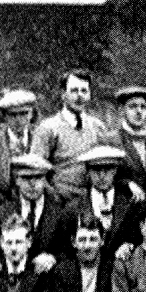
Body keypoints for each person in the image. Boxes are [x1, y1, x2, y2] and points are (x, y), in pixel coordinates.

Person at [32, 70, 114, 201]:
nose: (79, 96)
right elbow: (35, 170)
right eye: (74, 91)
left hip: (92, 202)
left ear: (90, 95)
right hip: (60, 201)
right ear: (63, 94)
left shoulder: (98, 127)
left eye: (84, 91)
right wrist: (54, 198)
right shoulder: (48, 128)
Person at [60, 145, 138, 258]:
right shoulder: (73, 208)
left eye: (107, 169)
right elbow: (64, 248)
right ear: (88, 171)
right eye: (96, 170)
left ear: (115, 170)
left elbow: (138, 239)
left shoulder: (131, 204)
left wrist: (130, 246)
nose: (102, 176)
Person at [5, 152, 68, 265]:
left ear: (45, 181)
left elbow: (67, 251)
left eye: (38, 178)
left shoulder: (59, 213)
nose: (32, 184)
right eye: (26, 178)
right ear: (17, 180)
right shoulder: (3, 211)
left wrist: (53, 258)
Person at [0, 88, 38, 200]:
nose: (19, 120)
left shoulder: (40, 139)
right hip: (3, 201)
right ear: (4, 116)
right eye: (13, 115)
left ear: (31, 114)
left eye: (24, 113)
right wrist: (0, 200)